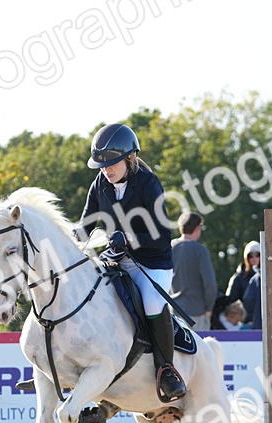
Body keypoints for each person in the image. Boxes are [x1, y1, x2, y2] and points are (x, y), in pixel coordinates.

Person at [78, 123, 186, 403]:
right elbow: (86, 224)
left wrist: (126, 238)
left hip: (152, 263)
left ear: (129, 158)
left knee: (151, 303)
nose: (106, 171)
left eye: (111, 165)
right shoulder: (100, 183)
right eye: (102, 167)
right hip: (115, 260)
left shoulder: (149, 184)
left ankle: (167, 369)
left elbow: (161, 236)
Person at [169, 212, 218, 330]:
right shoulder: (200, 250)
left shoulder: (169, 247)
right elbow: (210, 284)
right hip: (197, 313)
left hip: (173, 311)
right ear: (197, 228)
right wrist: (209, 309)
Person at [224, 241, 261, 324]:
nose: (254, 258)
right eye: (250, 256)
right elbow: (230, 302)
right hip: (244, 323)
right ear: (246, 258)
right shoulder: (238, 278)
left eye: (257, 255)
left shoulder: (268, 277)